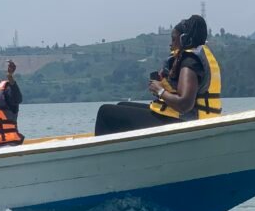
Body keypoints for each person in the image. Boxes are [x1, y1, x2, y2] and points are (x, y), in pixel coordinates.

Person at [94, 14, 222, 136]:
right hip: (185, 119)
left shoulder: (190, 62)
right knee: (121, 106)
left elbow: (184, 105)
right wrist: (164, 88)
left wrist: (160, 91)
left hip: (185, 123)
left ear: (183, 39)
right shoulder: (195, 58)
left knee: (105, 112)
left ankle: (99, 154)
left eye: (173, 39)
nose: (170, 44)